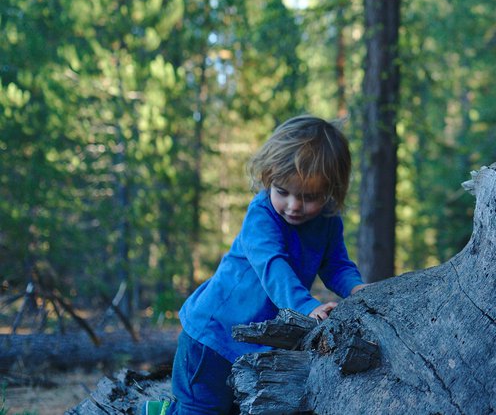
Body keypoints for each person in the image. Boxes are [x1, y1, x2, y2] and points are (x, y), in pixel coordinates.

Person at [141, 116, 367, 415]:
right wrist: (306, 305)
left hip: (252, 344)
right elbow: (273, 266)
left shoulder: (326, 220)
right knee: (204, 409)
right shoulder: (262, 216)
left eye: (309, 197)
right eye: (282, 191)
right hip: (212, 336)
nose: (294, 206)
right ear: (268, 180)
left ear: (331, 190)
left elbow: (336, 264)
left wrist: (359, 290)